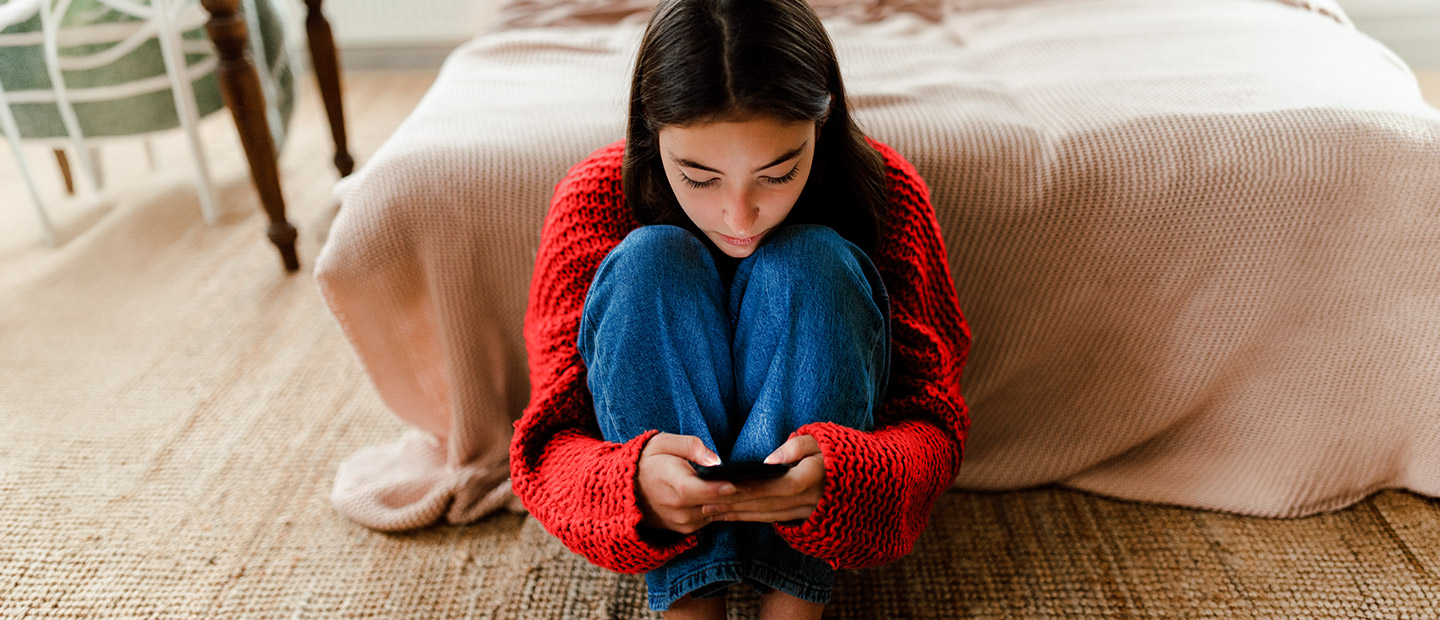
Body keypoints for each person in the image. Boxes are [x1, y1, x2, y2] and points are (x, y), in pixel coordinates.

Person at [508, 0, 970, 617]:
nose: (739, 216)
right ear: (651, 135)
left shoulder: (884, 193)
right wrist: (632, 485)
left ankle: (794, 599)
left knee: (813, 258)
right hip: (668, 532)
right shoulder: (595, 196)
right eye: (699, 178)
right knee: (650, 259)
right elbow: (547, 443)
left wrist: (851, 477)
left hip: (812, 533)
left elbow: (934, 419)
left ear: (822, 123)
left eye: (779, 173)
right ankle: (689, 601)